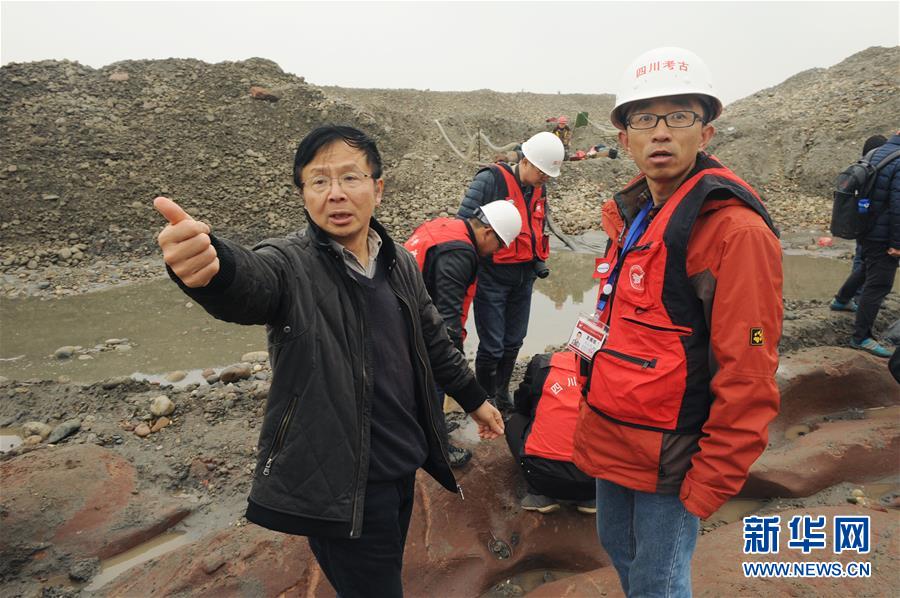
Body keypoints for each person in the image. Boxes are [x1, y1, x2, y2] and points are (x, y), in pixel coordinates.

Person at [153, 125, 504, 598]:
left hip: (400, 467)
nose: (335, 194)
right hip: (343, 487)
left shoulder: (398, 262)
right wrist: (213, 269)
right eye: (319, 181)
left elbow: (434, 341)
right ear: (303, 194)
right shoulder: (291, 264)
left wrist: (476, 399)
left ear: (377, 189)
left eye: (350, 178)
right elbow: (251, 283)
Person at [572, 47, 783, 597]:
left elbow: (750, 364)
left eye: (679, 116)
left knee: (658, 583)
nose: (660, 133)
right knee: (620, 550)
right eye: (644, 119)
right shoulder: (637, 212)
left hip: (674, 457)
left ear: (706, 133)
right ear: (624, 139)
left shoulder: (735, 233)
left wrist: (713, 476)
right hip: (617, 438)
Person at [404, 200, 523, 466]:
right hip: (413, 326)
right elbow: (446, 317)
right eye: (500, 245)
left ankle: (429, 424)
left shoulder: (447, 227)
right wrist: (453, 360)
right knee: (436, 377)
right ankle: (436, 449)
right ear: (488, 232)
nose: (496, 253)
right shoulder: (459, 252)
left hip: (406, 315)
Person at [457, 131, 565, 412]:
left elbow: (537, 227)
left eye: (548, 174)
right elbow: (464, 227)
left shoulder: (539, 187)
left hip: (524, 277)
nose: (545, 178)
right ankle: (485, 397)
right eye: (542, 172)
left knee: (514, 340)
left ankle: (502, 392)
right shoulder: (489, 180)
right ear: (527, 161)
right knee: (492, 345)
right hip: (492, 276)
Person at [832, 131, 900, 358]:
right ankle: (861, 337)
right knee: (879, 283)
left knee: (866, 266)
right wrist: (897, 243)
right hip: (883, 233)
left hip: (863, 225)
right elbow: (898, 206)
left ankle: (841, 300)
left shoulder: (875, 152)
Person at [505, 351, 595, 514]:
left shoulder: (544, 363)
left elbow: (521, 404)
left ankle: (539, 495)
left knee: (514, 422)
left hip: (541, 475)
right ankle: (592, 500)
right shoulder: (611, 371)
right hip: (593, 480)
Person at [830, 134, 888, 313]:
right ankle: (860, 297)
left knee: (861, 258)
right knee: (865, 260)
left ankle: (856, 296)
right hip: (872, 226)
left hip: (859, 222)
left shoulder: (861, 169)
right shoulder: (877, 172)